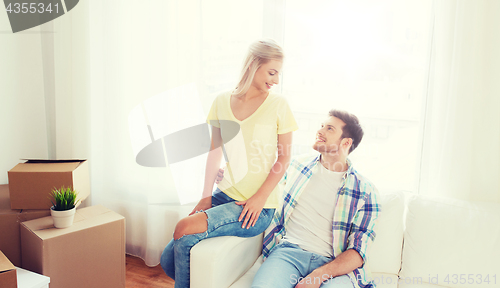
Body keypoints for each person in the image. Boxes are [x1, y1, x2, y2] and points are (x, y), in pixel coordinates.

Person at [160, 39, 298, 288]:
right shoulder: (222, 101)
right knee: (166, 258)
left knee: (183, 231)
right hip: (224, 194)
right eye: (272, 72)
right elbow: (215, 151)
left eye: (278, 73)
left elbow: (284, 157)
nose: (276, 80)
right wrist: (205, 196)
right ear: (253, 65)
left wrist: (259, 198)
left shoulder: (279, 105)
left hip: (257, 207)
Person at [229, 109, 380, 288]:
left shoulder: (366, 191)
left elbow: (358, 252)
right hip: (287, 254)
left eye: (330, 129)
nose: (320, 131)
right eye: (322, 126)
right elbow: (262, 186)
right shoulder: (296, 166)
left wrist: (318, 276)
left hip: (334, 264)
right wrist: (230, 178)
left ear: (346, 142)